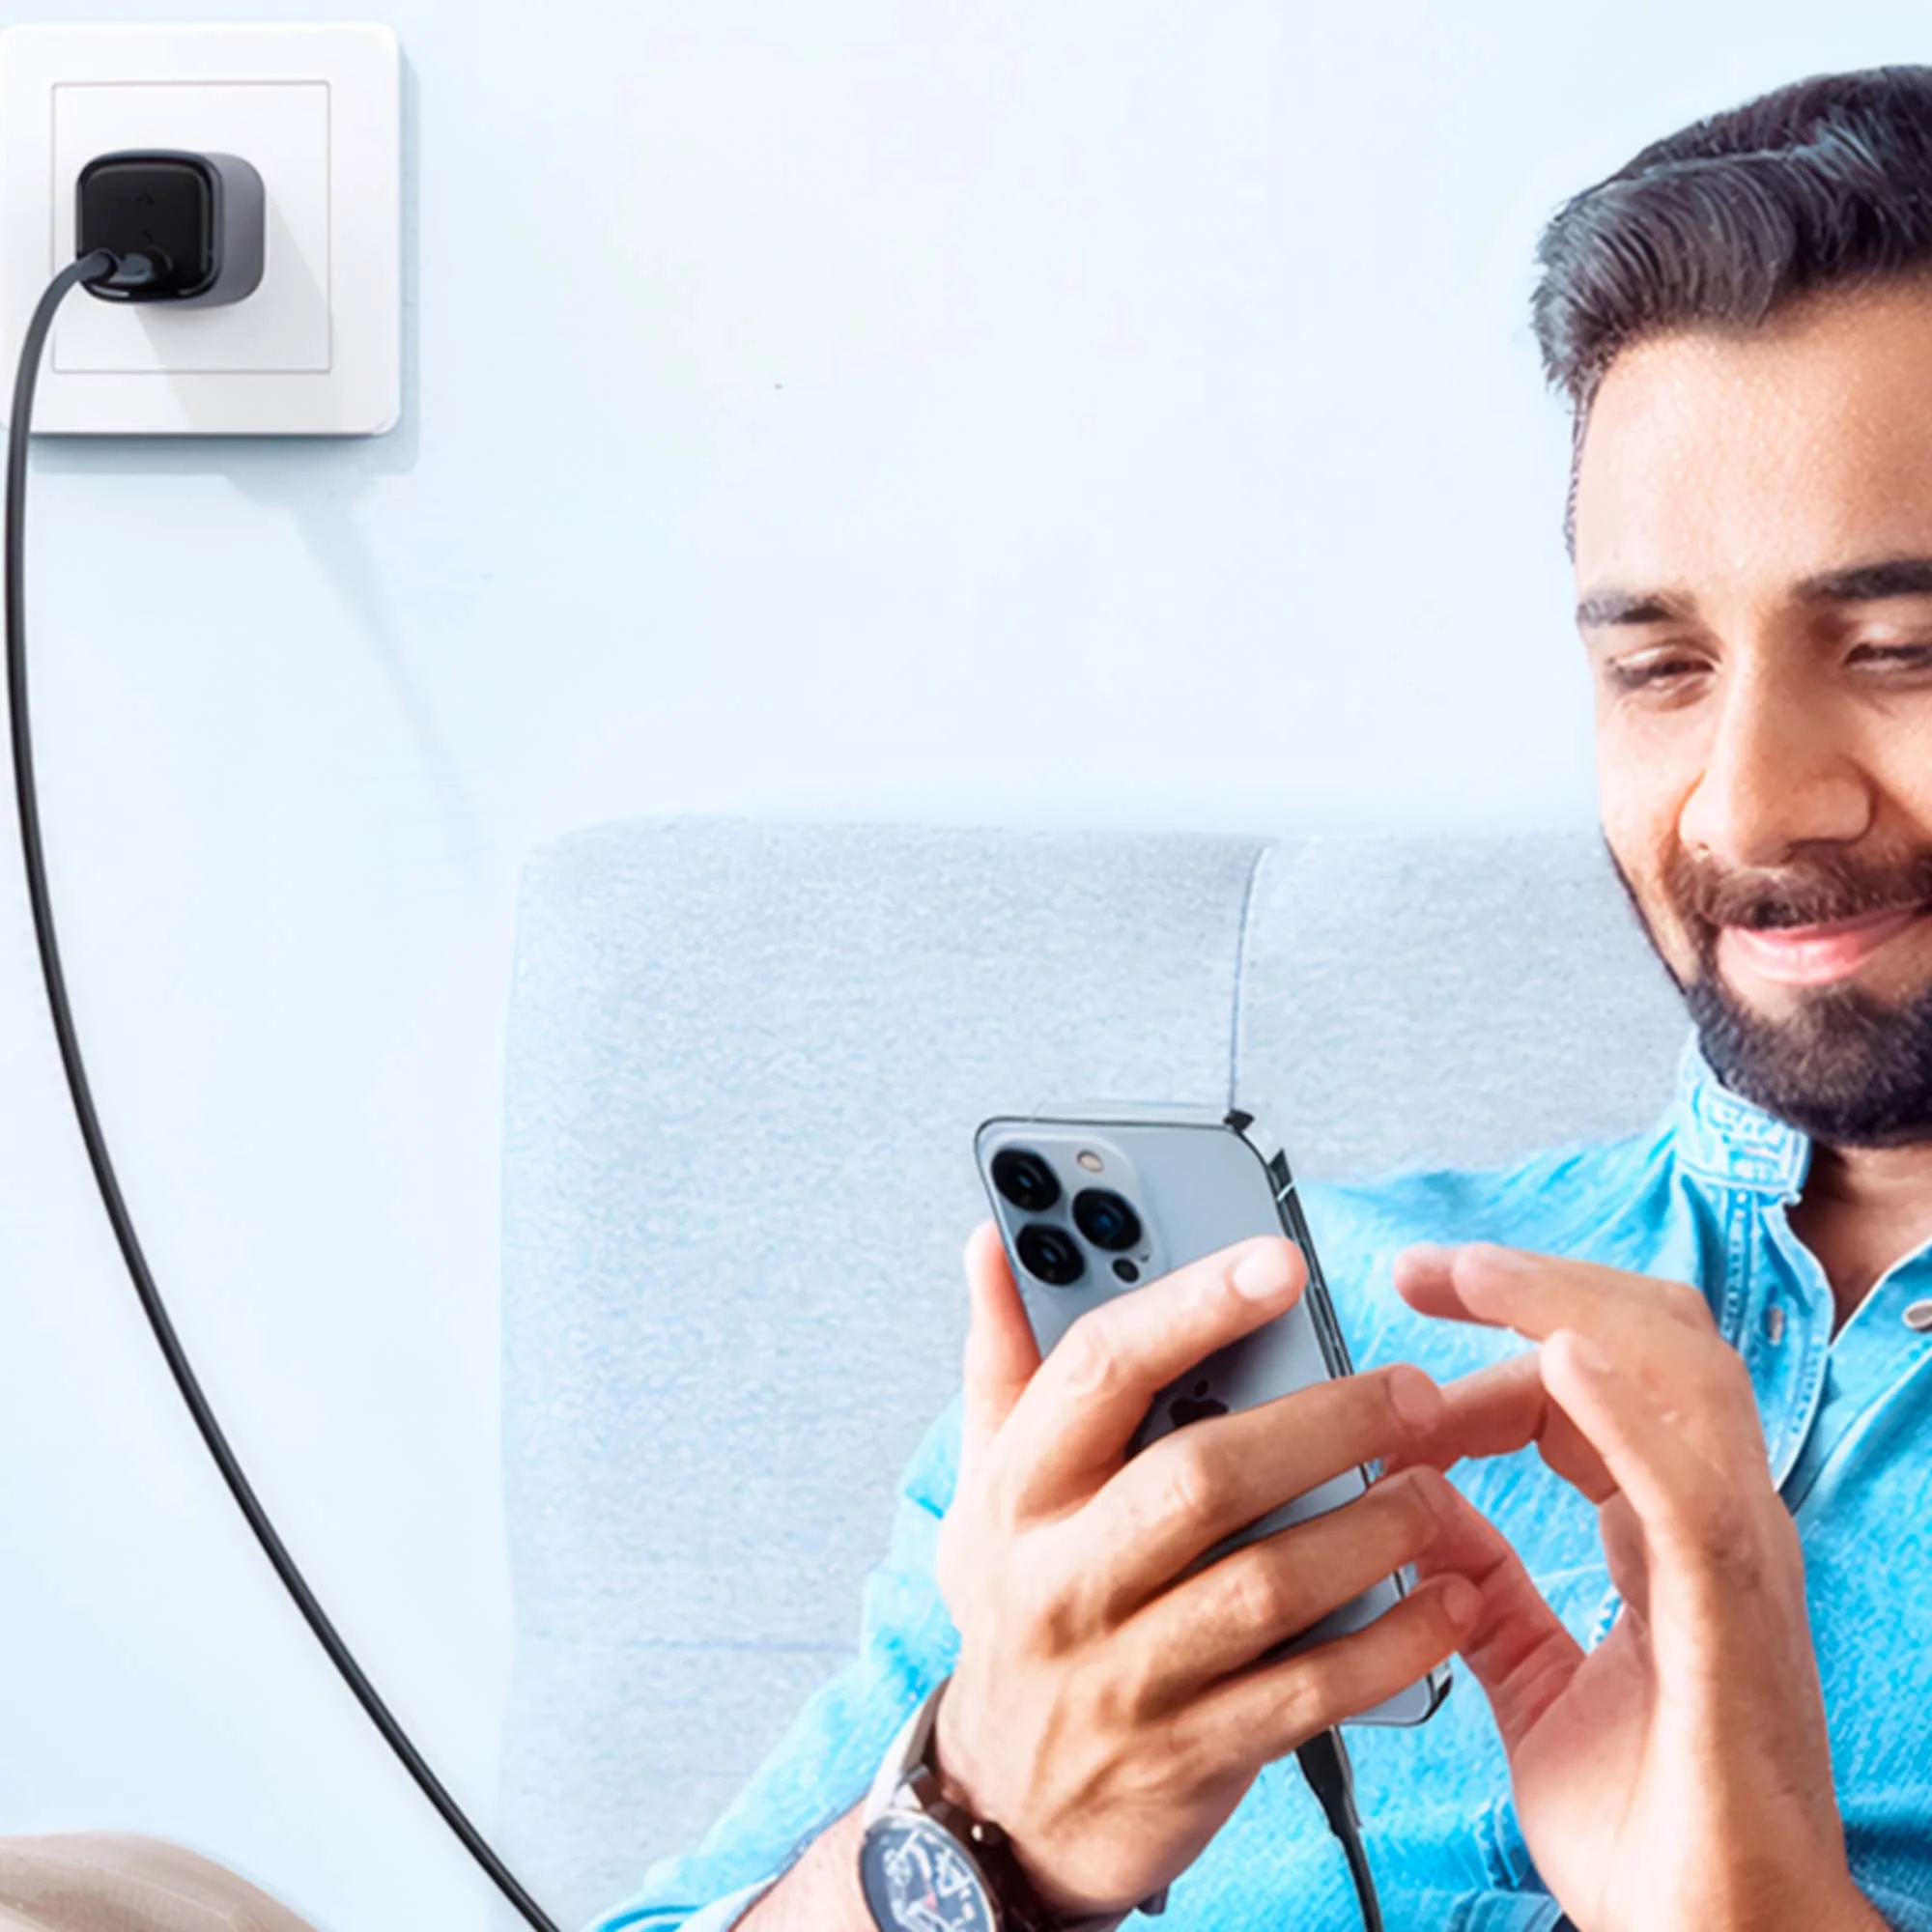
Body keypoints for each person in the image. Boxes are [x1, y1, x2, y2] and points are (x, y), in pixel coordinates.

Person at [588, 64, 1932, 1932]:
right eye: (1659, 670)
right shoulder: (1232, 1370)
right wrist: (988, 1822)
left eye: (1902, 650)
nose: (1746, 806)